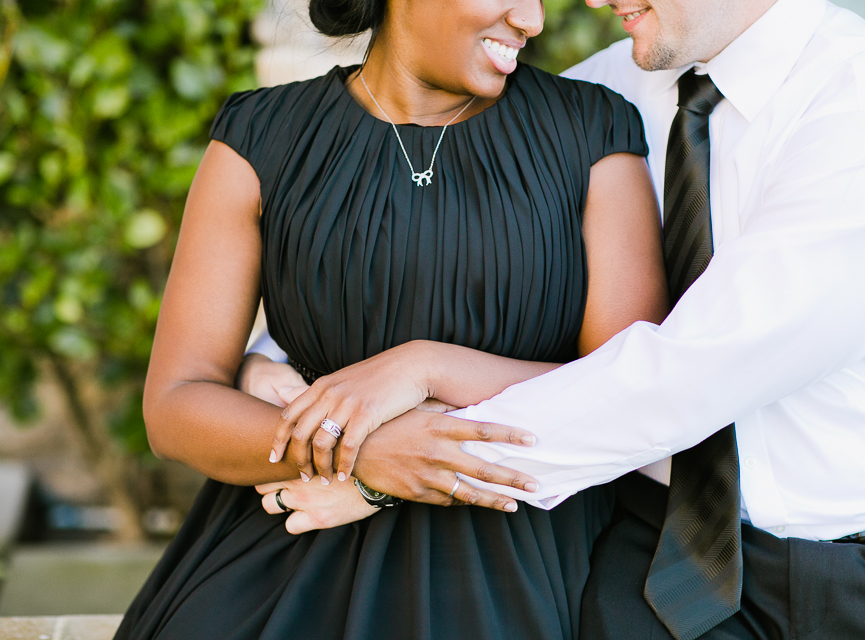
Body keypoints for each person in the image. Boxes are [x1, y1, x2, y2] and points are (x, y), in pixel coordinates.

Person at [245, 0, 865, 638]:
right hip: (648, 553)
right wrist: (290, 368)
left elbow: (691, 375)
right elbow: (447, 243)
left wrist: (398, 465)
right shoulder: (609, 91)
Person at [115, 0, 673, 637]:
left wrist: (430, 370)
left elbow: (625, 390)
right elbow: (176, 406)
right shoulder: (259, 139)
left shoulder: (591, 132)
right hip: (293, 539)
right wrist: (365, 453)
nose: (532, 19)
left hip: (518, 554)